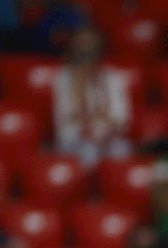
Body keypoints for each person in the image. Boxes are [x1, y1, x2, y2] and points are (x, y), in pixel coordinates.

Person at [52, 26, 131, 166]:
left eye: (91, 49)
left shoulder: (112, 78)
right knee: (89, 151)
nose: (86, 54)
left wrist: (103, 127)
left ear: (100, 52)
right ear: (73, 51)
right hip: (75, 141)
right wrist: (79, 87)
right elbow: (66, 121)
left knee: (121, 150)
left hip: (108, 139)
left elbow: (122, 121)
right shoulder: (63, 79)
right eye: (81, 49)